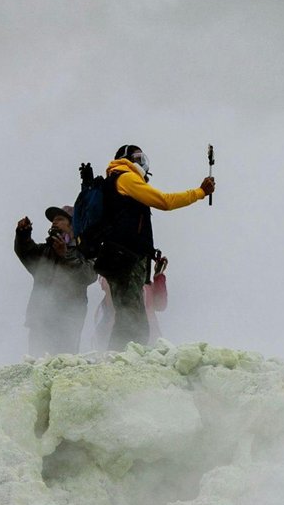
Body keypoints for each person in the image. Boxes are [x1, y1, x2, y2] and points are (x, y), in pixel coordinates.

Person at [96, 145, 211, 349]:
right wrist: (200, 192)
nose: (142, 163)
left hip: (120, 255)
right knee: (132, 316)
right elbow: (164, 201)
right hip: (126, 256)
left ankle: (120, 359)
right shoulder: (125, 177)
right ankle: (124, 362)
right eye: (137, 158)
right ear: (126, 159)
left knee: (129, 313)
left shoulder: (115, 180)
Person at [14, 204, 98, 356]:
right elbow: (26, 252)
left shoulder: (85, 251)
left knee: (63, 364)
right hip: (40, 318)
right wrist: (23, 233)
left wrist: (65, 256)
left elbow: (89, 275)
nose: (54, 222)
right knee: (37, 363)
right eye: (53, 220)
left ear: (73, 225)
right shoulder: (45, 251)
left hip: (68, 321)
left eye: (59, 219)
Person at [95, 251, 169, 345]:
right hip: (121, 337)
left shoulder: (146, 287)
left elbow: (160, 305)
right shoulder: (113, 280)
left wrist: (158, 276)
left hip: (150, 339)